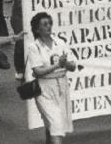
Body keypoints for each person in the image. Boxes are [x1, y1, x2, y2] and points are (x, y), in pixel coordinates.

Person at [25, 12, 76, 143]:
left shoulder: (60, 42)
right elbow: (38, 71)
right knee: (55, 124)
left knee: (52, 124)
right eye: (44, 24)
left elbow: (73, 66)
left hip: (61, 87)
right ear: (37, 29)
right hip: (44, 89)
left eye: (49, 23)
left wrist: (66, 63)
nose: (48, 26)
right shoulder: (34, 47)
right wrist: (57, 65)